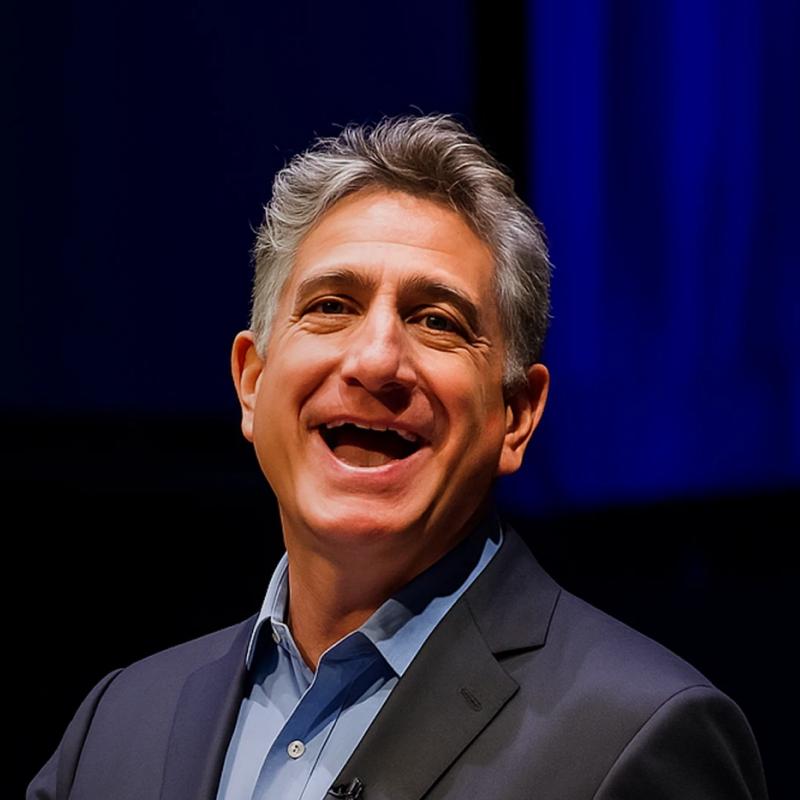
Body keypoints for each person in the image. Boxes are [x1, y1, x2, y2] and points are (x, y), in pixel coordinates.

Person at [28, 115, 767, 800]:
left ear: (516, 417)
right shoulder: (116, 724)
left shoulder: (641, 735)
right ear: (252, 384)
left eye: (436, 320)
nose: (377, 359)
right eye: (331, 306)